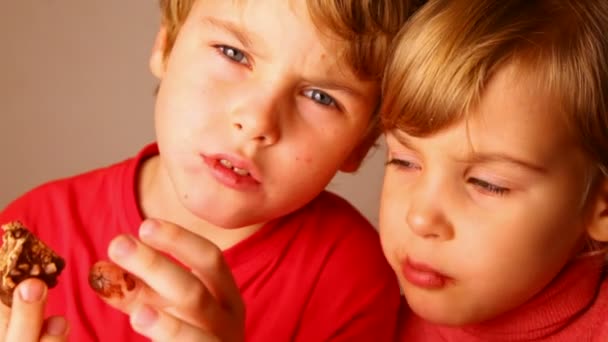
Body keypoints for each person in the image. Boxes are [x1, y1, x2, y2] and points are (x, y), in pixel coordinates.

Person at [0, 0, 420, 340]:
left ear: (361, 145)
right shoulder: (32, 226)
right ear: (165, 47)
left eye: (320, 97)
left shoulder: (350, 281)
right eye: (233, 53)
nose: (257, 121)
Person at [378, 0, 608, 340]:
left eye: (488, 184)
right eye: (404, 161)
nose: (421, 218)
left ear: (602, 208)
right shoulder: (362, 316)